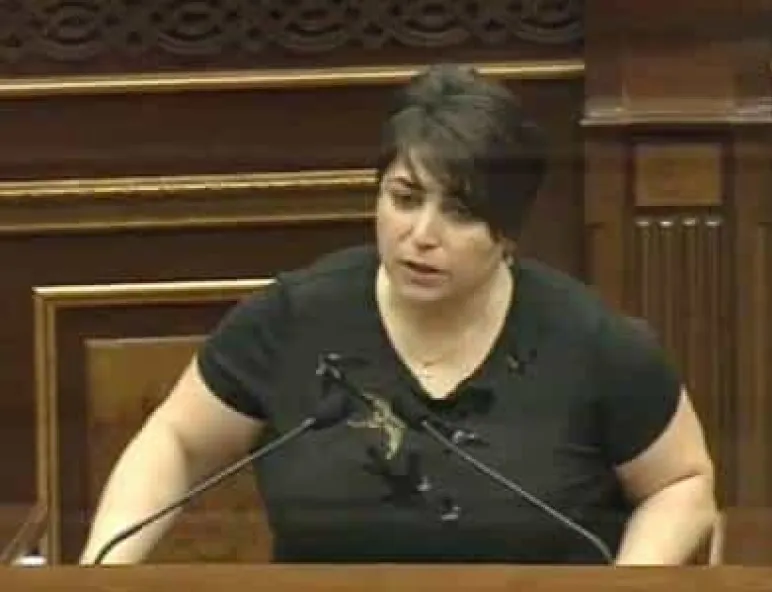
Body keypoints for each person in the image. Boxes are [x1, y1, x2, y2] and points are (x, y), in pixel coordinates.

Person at [80, 64, 717, 566]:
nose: (422, 235)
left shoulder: (588, 342)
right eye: (405, 199)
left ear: (507, 232)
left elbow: (680, 482)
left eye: (460, 212)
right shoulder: (294, 319)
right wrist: (102, 571)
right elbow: (178, 441)